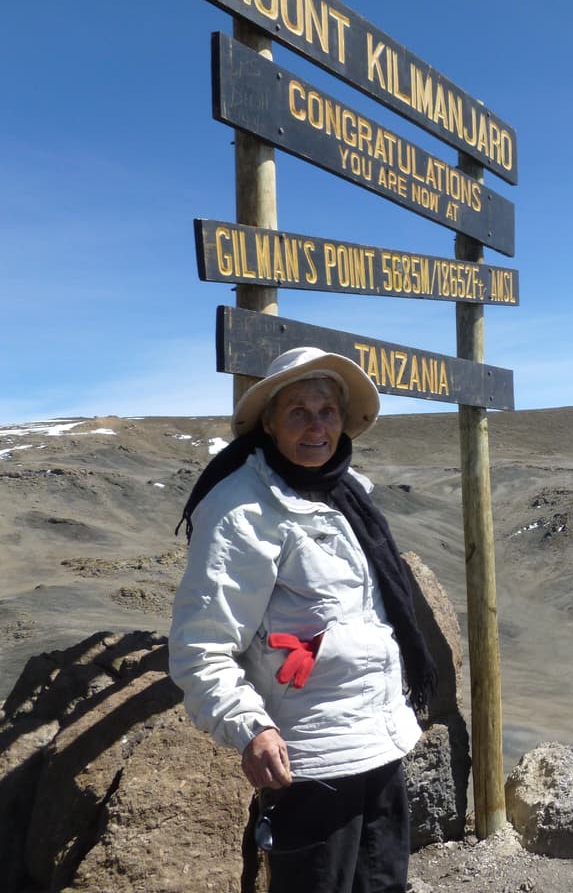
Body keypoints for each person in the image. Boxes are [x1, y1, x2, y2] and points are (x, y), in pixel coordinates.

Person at [170, 346, 436, 893]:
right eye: (299, 412)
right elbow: (202, 647)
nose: (317, 426)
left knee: (384, 884)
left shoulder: (349, 494)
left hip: (379, 742)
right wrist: (251, 728)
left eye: (328, 412)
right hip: (308, 758)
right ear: (269, 422)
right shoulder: (242, 509)